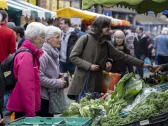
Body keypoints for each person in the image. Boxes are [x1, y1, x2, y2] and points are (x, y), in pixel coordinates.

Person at [67, 16, 151, 100]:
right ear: (100, 26)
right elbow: (73, 57)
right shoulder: (85, 38)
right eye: (107, 26)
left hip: (97, 82)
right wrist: (89, 66)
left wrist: (142, 64)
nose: (110, 28)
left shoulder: (106, 44)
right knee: (81, 107)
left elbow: (123, 56)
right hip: (83, 81)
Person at [6, 22, 46, 119]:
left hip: (24, 106)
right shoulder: (27, 56)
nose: (44, 40)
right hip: (23, 108)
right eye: (42, 37)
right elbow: (27, 86)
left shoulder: (30, 53)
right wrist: (30, 113)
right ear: (35, 38)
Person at [38, 26, 67, 117]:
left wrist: (57, 75)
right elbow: (39, 78)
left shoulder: (53, 52)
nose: (60, 40)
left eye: (60, 37)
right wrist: (57, 82)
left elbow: (48, 72)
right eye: (57, 37)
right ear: (48, 39)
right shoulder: (43, 55)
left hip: (50, 96)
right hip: (43, 98)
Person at [0, 10, 16, 118]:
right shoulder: (10, 32)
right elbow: (12, 52)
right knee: (5, 89)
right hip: (4, 67)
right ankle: (4, 110)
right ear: (6, 19)